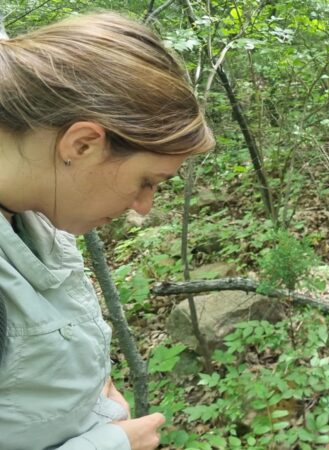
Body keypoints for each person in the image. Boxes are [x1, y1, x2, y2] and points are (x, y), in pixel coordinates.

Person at [0, 12, 214, 450]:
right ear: (81, 144)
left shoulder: (33, 210)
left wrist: (90, 389)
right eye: (146, 181)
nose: (143, 207)